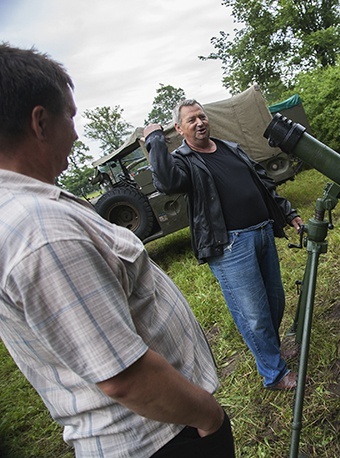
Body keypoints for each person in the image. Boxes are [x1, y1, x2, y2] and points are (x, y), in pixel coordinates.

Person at [0, 43, 235, 457]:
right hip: (160, 436)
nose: (75, 133)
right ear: (39, 122)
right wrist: (208, 417)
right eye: (70, 117)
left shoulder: (31, 210)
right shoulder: (42, 231)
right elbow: (124, 376)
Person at [144, 99, 303, 391]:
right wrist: (155, 140)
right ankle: (274, 374)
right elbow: (166, 182)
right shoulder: (183, 162)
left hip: (262, 232)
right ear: (179, 129)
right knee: (253, 313)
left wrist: (288, 212)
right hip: (230, 245)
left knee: (273, 302)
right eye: (191, 120)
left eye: (201, 116)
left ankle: (273, 352)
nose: (199, 123)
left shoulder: (231, 148)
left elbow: (264, 183)